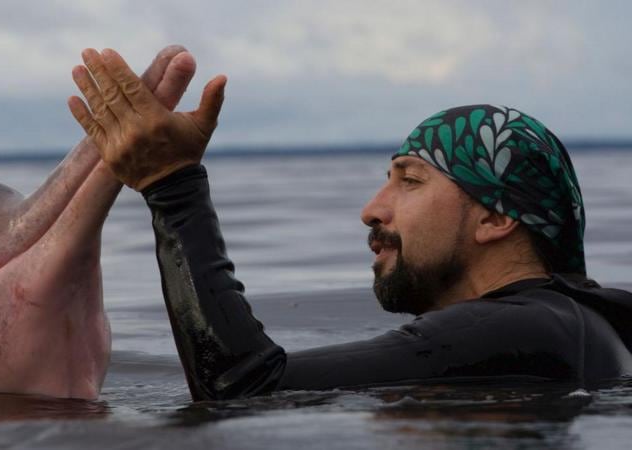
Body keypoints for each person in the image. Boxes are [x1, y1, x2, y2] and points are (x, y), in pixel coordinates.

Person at [68, 47, 632, 402]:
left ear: (496, 216)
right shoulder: (572, 326)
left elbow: (242, 386)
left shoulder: (518, 327)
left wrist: (172, 185)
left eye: (410, 181)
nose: (372, 209)